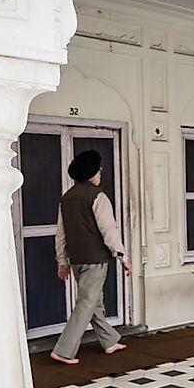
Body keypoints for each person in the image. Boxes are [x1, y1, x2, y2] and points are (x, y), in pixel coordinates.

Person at [50, 150, 131, 364]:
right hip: (96, 260)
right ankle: (64, 350)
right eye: (99, 170)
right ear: (94, 173)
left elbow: (61, 233)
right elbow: (109, 230)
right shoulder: (98, 196)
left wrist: (62, 261)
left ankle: (109, 340)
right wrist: (122, 256)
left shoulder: (66, 199)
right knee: (87, 302)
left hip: (76, 260)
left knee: (94, 301)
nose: (101, 173)